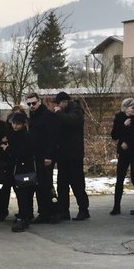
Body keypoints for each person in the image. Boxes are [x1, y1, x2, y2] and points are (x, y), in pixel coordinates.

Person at [53, 92, 89, 220]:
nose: (57, 106)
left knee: (77, 183)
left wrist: (58, 113)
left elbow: (71, 121)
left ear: (65, 102)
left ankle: (84, 209)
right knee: (62, 184)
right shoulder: (61, 113)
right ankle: (64, 210)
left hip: (74, 154)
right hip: (62, 154)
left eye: (59, 104)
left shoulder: (76, 110)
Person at [25, 93, 60, 223]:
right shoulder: (33, 116)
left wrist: (49, 156)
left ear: (39, 101)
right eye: (29, 104)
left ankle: (52, 212)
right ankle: (44, 212)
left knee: (47, 185)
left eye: (33, 103)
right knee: (39, 185)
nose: (31, 106)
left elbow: (53, 138)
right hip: (36, 155)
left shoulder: (48, 116)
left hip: (45, 155)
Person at [110, 98, 134, 215]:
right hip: (123, 153)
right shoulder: (119, 118)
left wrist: (127, 142)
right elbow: (114, 135)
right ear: (125, 108)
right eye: (132, 107)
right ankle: (116, 206)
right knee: (120, 178)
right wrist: (123, 125)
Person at [5, 112, 36, 232]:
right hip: (17, 169)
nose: (15, 126)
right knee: (22, 194)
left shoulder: (25, 136)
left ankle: (24, 217)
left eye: (18, 124)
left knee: (24, 195)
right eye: (14, 123)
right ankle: (25, 215)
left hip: (23, 169)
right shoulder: (14, 134)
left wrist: (8, 149)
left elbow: (21, 152)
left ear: (23, 124)